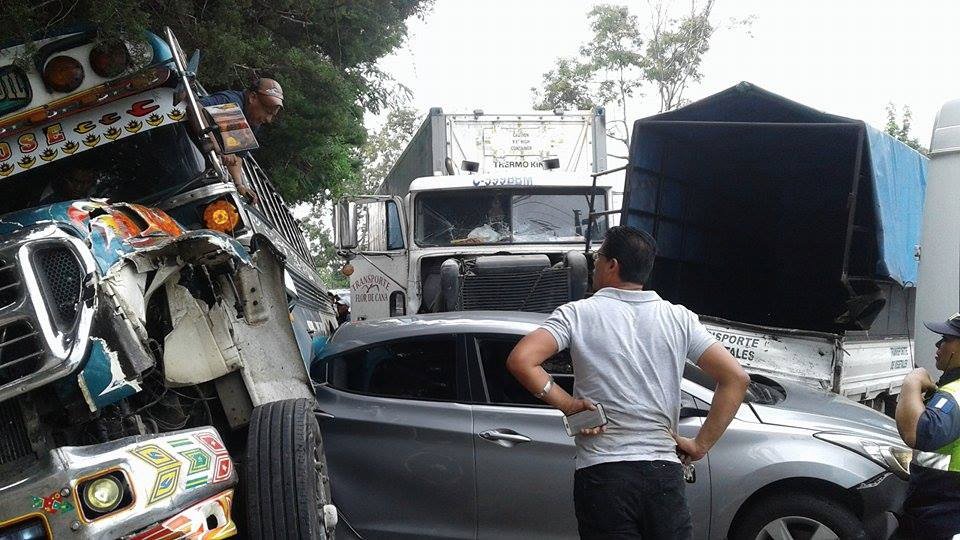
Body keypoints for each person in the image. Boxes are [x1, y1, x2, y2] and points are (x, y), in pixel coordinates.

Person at [506, 225, 749, 539]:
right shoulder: (679, 318)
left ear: (612, 265)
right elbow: (736, 378)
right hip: (664, 474)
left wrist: (568, 405)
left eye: (598, 257)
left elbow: (521, 359)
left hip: (603, 475)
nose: (594, 264)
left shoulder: (577, 315)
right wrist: (700, 445)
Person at [895, 313, 960, 539]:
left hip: (942, 514)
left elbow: (917, 432)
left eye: (946, 338)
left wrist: (912, 381)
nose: (938, 344)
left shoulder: (956, 394)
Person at [199, 78, 285, 202]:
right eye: (267, 112)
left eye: (272, 115)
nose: (268, 119)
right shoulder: (231, 102)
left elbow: (238, 155)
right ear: (253, 97)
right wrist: (216, 144)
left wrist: (240, 185)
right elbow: (196, 107)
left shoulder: (252, 122)